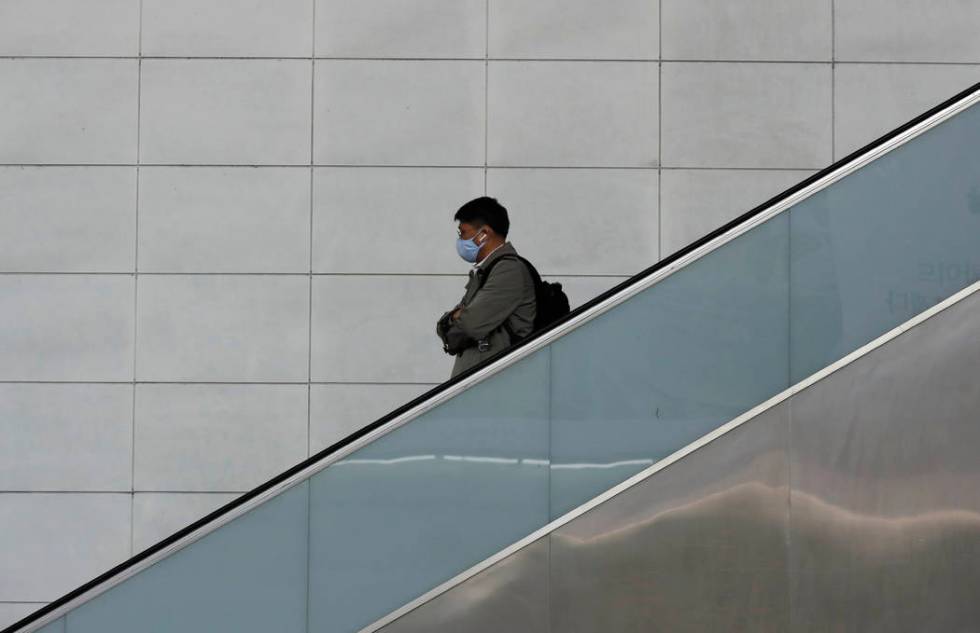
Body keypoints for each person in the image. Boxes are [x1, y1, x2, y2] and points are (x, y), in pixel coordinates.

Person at [436, 197, 536, 378]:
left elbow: (469, 324)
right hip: (480, 383)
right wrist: (452, 320)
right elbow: (449, 327)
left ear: (484, 234)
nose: (460, 240)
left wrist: (453, 319)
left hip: (492, 384)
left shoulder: (508, 270)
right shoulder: (488, 270)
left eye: (463, 233)